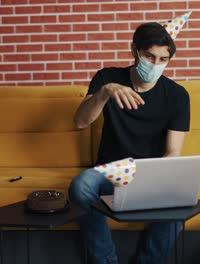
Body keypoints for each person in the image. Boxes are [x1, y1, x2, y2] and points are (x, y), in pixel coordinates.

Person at [68, 21, 191, 264]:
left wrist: (152, 183)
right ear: (134, 50)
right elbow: (80, 122)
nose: (155, 65)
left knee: (181, 203)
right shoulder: (108, 78)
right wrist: (105, 93)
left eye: (163, 59)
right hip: (111, 171)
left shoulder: (177, 96)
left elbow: (173, 151)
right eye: (149, 56)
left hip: (152, 173)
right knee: (80, 186)